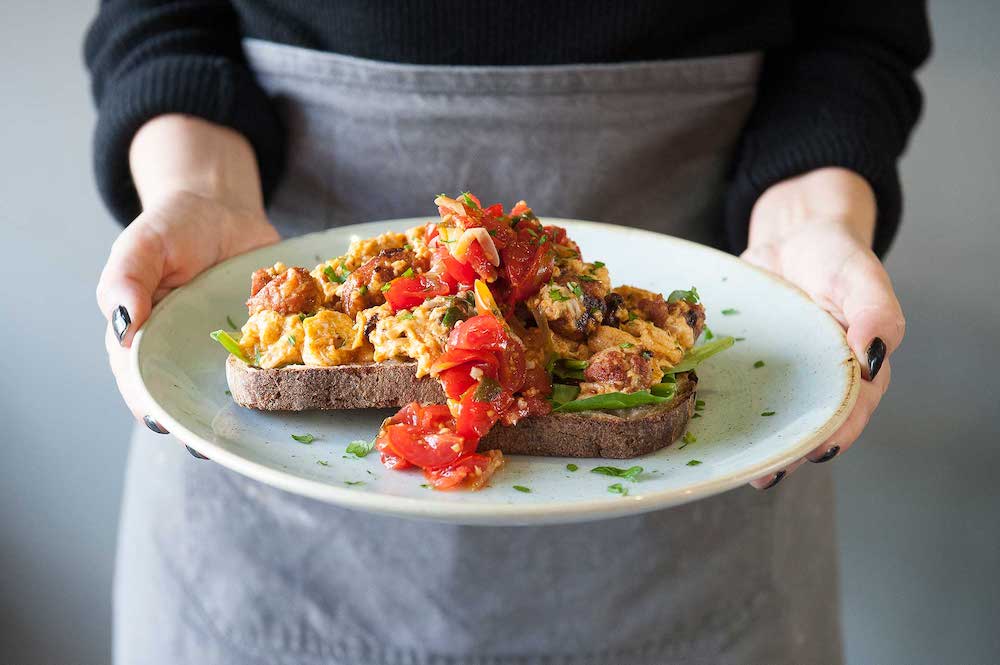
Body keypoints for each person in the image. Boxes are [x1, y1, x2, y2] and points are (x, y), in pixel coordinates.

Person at [85, 2, 929, 663]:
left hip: (695, 556)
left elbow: (855, 31)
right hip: (267, 553)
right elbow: (162, 16)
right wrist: (198, 187)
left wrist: (815, 213)